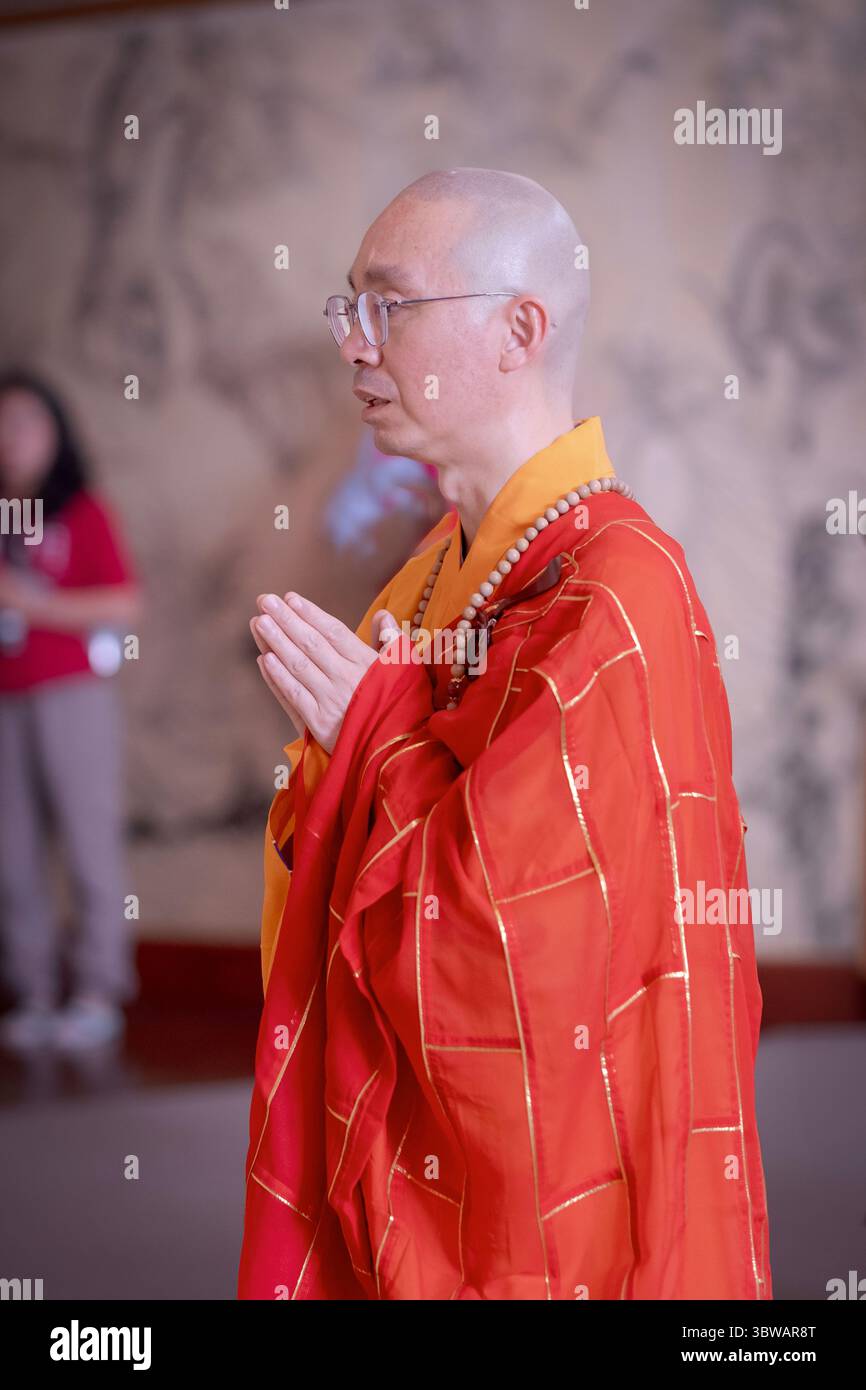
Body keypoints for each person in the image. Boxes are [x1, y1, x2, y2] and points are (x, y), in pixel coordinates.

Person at [237, 169, 773, 1299]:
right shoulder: (431, 576)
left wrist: (371, 743)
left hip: (573, 1187)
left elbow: (527, 948)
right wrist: (330, 778)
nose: (353, 344)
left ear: (517, 329)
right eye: (347, 306)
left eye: (389, 305)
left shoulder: (620, 593)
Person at [0, 371, 141, 1052]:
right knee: (12, 849)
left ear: (55, 432)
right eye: (4, 423)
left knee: (89, 840)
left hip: (71, 693)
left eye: (27, 422)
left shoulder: (82, 511)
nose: (13, 438)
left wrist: (34, 606)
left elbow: (123, 603)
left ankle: (96, 989)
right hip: (6, 696)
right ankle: (30, 989)